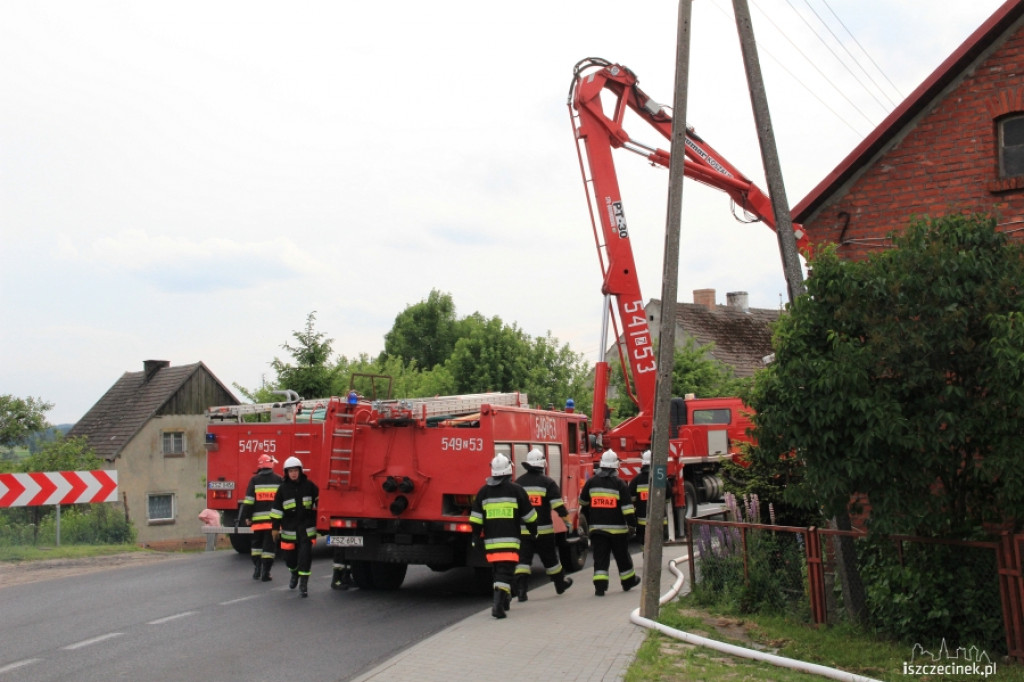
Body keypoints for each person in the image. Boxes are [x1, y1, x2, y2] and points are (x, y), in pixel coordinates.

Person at [470, 453, 538, 619]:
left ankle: (505, 600)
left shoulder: (483, 492)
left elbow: (476, 519)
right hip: (510, 542)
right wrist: (533, 531)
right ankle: (497, 606)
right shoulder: (517, 490)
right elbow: (530, 516)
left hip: (491, 543)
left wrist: (475, 537)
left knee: (499, 572)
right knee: (505, 572)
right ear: (509, 471)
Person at [513, 448, 574, 601]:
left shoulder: (518, 483)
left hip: (523, 531)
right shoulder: (548, 482)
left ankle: (521, 591)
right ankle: (560, 585)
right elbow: (558, 506)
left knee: (523, 561)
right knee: (551, 560)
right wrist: (568, 522)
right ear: (543, 465)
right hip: (544, 532)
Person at [580, 449, 640, 596]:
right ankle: (628, 582)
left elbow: (583, 502)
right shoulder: (619, 484)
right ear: (615, 466)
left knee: (600, 559)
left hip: (597, 530)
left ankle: (600, 587)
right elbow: (627, 508)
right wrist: (632, 525)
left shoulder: (591, 482)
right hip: (618, 531)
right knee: (622, 557)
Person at [270, 456, 319, 597]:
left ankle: (303, 585)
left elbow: (320, 503)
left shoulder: (309, 486)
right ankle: (294, 573)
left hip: (306, 529)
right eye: (290, 471)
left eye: (295, 470)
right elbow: (277, 510)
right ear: (286, 472)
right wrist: (274, 528)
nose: (293, 473)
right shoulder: (283, 489)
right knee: (289, 558)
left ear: (300, 471)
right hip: (288, 530)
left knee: (305, 557)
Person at [236, 454, 282, 581]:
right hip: (273, 523)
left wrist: (247, 517)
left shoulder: (254, 480)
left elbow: (249, 501)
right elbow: (283, 501)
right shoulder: (279, 480)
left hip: (257, 522)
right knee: (269, 548)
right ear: (271, 464)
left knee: (256, 546)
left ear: (260, 466)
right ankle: (266, 573)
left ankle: (257, 569)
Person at [627, 450, 665, 544]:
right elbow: (667, 496)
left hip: (642, 522)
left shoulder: (636, 480)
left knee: (644, 544)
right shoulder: (660, 478)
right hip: (659, 520)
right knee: (657, 544)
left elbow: (631, 498)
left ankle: (646, 556)